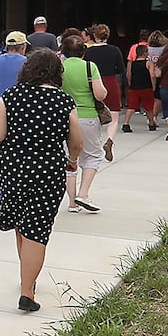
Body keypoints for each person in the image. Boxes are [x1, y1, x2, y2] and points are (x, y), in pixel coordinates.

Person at [0, 50, 83, 313]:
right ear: (56, 73)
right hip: (48, 170)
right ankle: (28, 290)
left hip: (13, 168)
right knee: (37, 229)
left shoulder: (11, 96)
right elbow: (77, 141)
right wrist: (72, 159)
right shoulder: (64, 101)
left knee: (21, 222)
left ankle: (26, 280)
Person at [59, 33, 109, 213]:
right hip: (87, 116)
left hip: (64, 117)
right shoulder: (90, 67)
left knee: (69, 158)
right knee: (93, 155)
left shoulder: (59, 67)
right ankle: (83, 193)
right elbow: (100, 94)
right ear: (83, 51)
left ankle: (72, 203)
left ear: (63, 51)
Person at [85, 24, 124, 159]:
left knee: (95, 115)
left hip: (94, 82)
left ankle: (95, 144)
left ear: (94, 36)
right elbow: (120, 69)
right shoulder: (115, 50)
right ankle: (110, 140)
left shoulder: (88, 52)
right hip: (110, 82)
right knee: (114, 117)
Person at [123, 29, 155, 132]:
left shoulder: (133, 63)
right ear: (145, 53)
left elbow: (130, 74)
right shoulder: (148, 63)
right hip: (146, 87)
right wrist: (153, 85)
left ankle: (126, 124)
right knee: (149, 107)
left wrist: (130, 82)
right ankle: (151, 124)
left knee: (131, 106)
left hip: (134, 87)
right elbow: (152, 75)